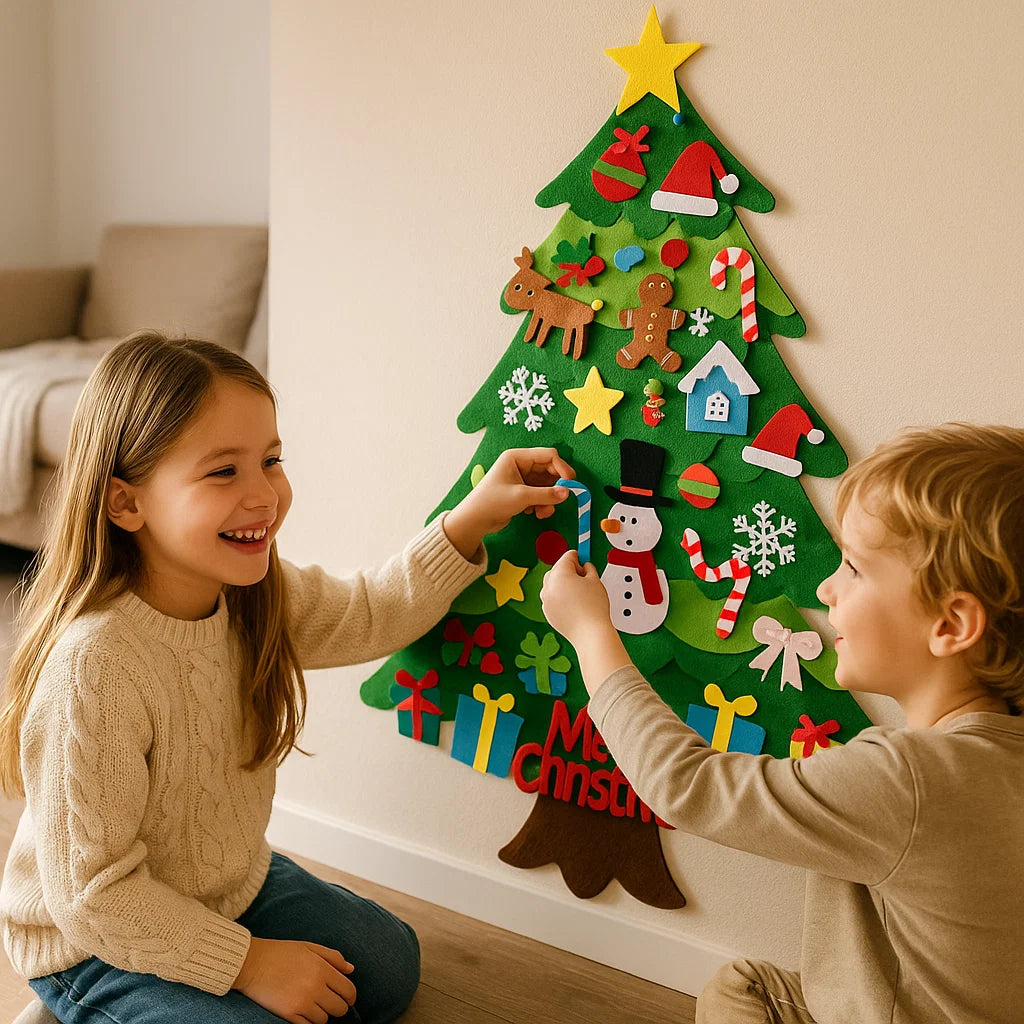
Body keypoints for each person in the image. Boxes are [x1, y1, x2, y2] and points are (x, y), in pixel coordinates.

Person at [0, 329, 571, 1024]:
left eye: (271, 460)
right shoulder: (95, 666)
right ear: (126, 504)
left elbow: (372, 611)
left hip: (226, 887)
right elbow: (92, 895)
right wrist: (250, 963)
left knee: (389, 964)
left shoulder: (256, 595)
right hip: (93, 941)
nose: (264, 494)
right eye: (223, 472)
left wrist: (473, 516)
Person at [540, 422, 1024, 1023]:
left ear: (950, 624)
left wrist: (591, 633)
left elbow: (687, 786)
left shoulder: (911, 780)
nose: (826, 589)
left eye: (853, 568)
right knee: (745, 986)